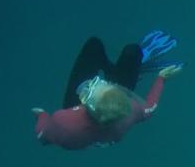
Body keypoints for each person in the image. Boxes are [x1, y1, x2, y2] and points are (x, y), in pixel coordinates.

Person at [32, 31, 183, 150]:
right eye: (101, 82)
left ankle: (123, 71)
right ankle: (131, 69)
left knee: (94, 45)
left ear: (88, 105)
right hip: (107, 103)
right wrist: (161, 79)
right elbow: (149, 109)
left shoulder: (65, 123)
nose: (95, 80)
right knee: (133, 51)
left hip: (74, 106)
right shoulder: (128, 113)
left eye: (94, 86)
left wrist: (42, 115)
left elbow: (43, 135)